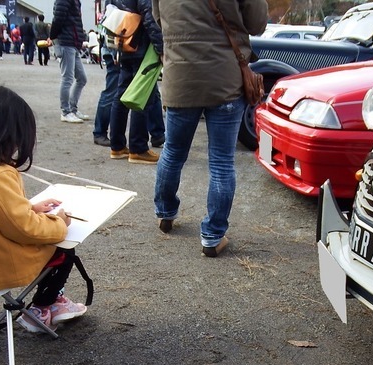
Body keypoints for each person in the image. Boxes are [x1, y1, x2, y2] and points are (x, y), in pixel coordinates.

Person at [0, 87, 87, 332]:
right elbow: (25, 229)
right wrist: (59, 222)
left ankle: (46, 304)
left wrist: (29, 207)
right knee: (63, 246)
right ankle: (44, 306)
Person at [152, 0, 268, 257]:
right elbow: (257, 24)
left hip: (180, 76)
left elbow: (159, 19)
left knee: (172, 152)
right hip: (225, 79)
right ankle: (213, 236)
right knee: (222, 163)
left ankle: (165, 213)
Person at [107, 0, 163, 164]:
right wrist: (161, 48)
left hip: (124, 44)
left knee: (121, 96)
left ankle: (117, 146)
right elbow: (149, 17)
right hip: (141, 46)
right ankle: (138, 148)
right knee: (142, 95)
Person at [50, 0, 89, 124]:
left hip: (73, 42)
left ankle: (72, 109)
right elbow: (58, 19)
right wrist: (53, 37)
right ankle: (66, 111)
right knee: (67, 78)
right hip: (66, 42)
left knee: (82, 78)